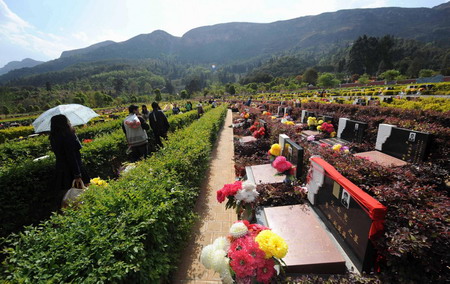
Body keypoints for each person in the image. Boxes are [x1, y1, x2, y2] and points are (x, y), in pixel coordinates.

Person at [49, 114, 90, 207]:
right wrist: (77, 174)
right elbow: (72, 156)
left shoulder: (53, 137)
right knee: (82, 194)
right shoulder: (68, 136)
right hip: (74, 169)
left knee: (68, 196)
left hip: (62, 170)